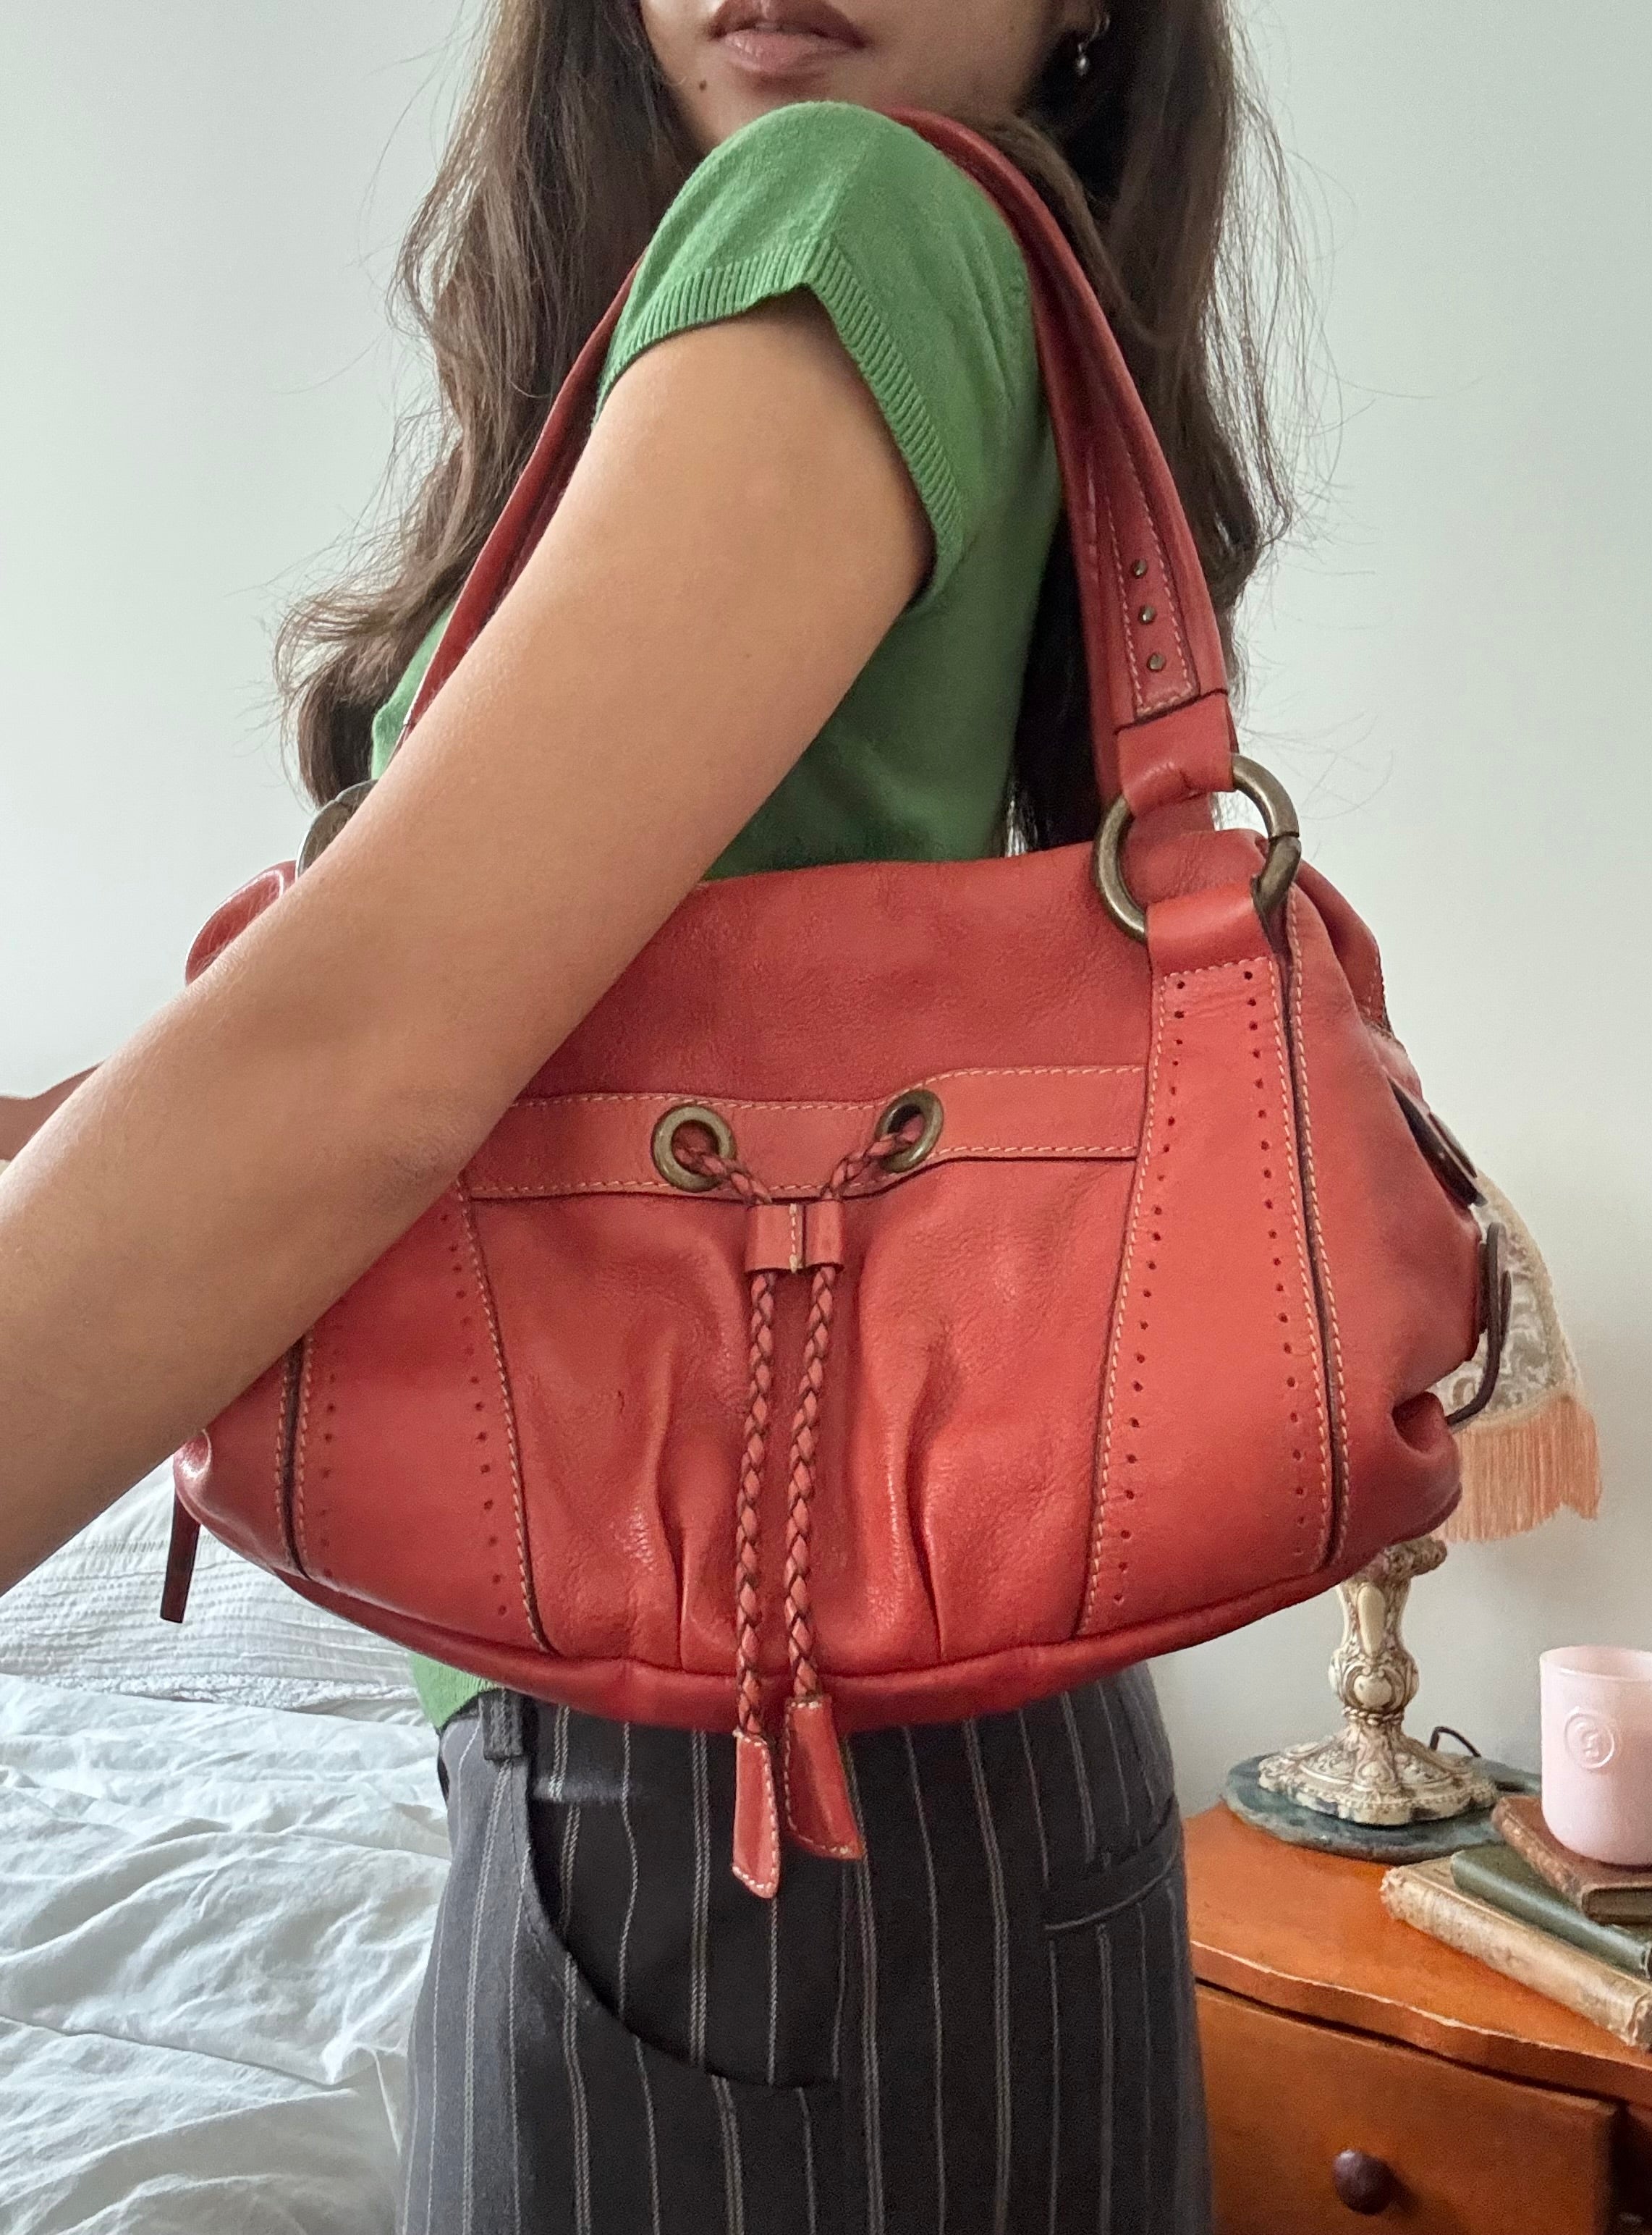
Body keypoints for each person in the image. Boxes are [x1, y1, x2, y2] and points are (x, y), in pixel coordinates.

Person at [0, 1, 1303, 2227]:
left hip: (750, 1804)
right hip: (889, 1766)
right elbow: (530, 1019)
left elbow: (368, 1060)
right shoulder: (938, 269)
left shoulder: (846, 200)